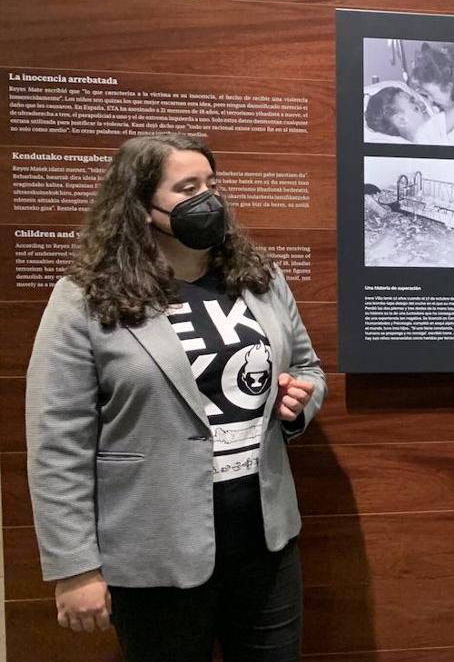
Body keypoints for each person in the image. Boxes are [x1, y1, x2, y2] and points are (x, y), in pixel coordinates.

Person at [26, 134, 327, 661]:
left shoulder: (260, 278)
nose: (208, 199)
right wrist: (75, 566)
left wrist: (300, 401)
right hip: (154, 548)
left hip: (264, 539)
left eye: (212, 184)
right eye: (188, 188)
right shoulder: (86, 298)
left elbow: (306, 366)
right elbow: (58, 442)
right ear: (142, 207)